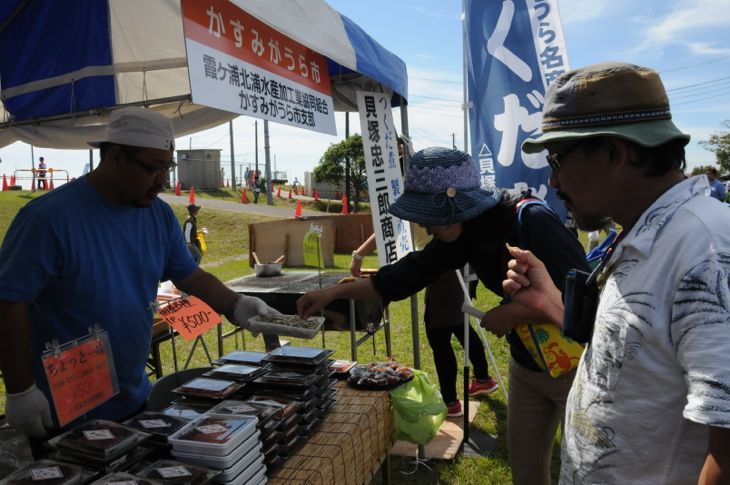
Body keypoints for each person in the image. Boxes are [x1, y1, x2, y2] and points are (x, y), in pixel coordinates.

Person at [298, 147, 588, 485]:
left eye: (427, 215)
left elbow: (587, 299)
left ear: (454, 207)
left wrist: (510, 312)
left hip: (574, 368)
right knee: (526, 473)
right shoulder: (460, 237)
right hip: (527, 365)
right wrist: (332, 293)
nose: (423, 225)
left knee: (586, 472)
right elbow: (397, 278)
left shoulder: (531, 221)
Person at [503, 62, 730, 484]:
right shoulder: (648, 234)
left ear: (614, 153)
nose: (553, 180)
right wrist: (548, 298)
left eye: (558, 158)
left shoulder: (706, 249)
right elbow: (640, 355)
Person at [0, 107, 277, 439]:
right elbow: (8, 303)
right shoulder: (47, 220)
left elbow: (189, 276)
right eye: (154, 169)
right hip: (61, 410)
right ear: (116, 157)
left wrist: (236, 304)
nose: (163, 181)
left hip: (133, 398)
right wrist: (20, 390)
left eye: (167, 168)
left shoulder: (157, 215)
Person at [350, 232, 497, 417]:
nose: (428, 228)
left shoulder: (419, 206)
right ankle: (482, 378)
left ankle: (450, 401)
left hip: (443, 268)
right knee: (459, 324)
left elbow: (385, 228)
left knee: (440, 336)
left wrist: (358, 256)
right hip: (457, 265)